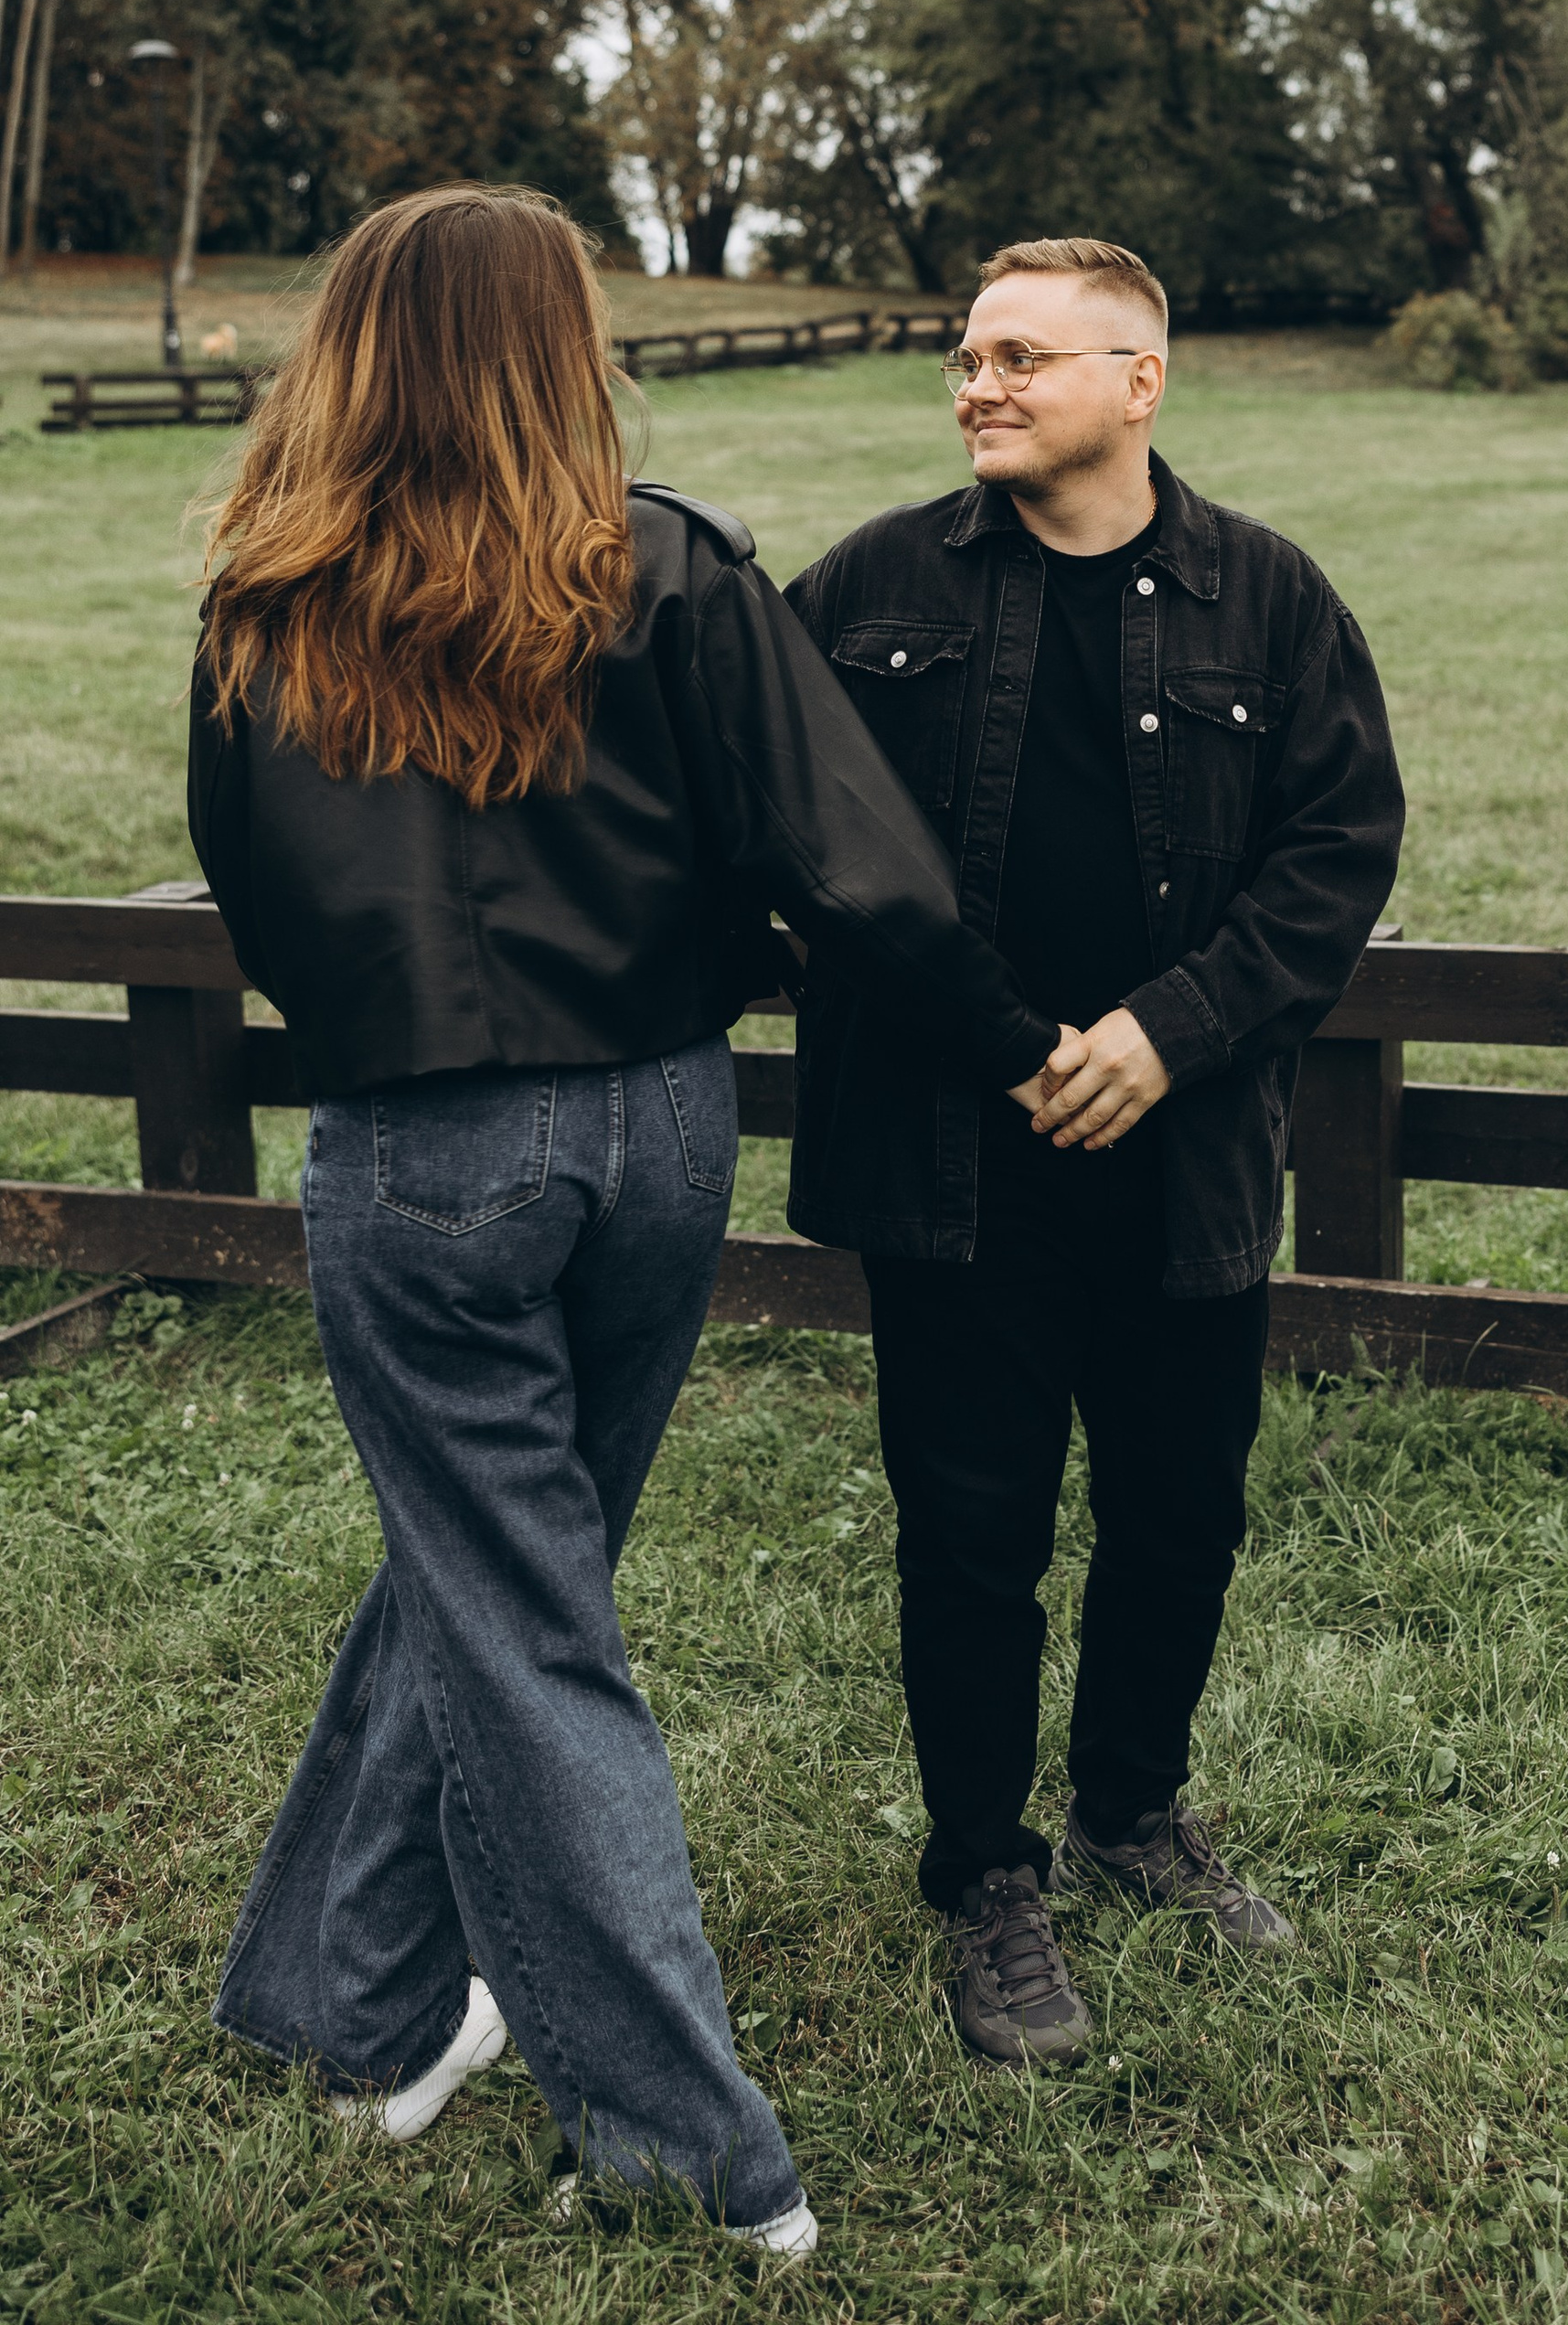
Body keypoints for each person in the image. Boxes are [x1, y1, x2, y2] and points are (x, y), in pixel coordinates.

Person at [190, 187, 1073, 2259]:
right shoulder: (664, 565)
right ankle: (356, 2006)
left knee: (516, 1606)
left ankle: (696, 2155)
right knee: (505, 1572)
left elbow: (254, 890)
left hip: (421, 1147)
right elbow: (851, 862)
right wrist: (1020, 1039)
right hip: (655, 1131)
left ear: (350, 350)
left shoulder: (269, 596)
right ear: (552, 347)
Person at [784, 236, 1404, 2066]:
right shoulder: (866, 588)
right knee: (970, 1531)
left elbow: (1337, 850)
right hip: (950, 1156)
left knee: (1178, 1510)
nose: (977, 384)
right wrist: (998, 1032)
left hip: (1181, 1152)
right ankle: (986, 1875)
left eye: (1022, 357)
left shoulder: (1267, 598)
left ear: (1140, 381)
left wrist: (1169, 1030)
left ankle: (1134, 1808)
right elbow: (788, 831)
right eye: (968, 356)